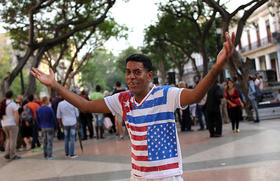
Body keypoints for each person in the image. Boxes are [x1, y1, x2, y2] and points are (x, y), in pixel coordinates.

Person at [31, 32, 235, 180]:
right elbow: (85, 106)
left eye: (137, 72)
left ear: (149, 75)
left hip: (167, 176)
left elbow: (195, 95)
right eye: (128, 72)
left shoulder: (166, 94)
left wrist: (217, 67)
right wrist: (55, 85)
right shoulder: (122, 100)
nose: (131, 77)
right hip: (138, 176)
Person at [1, 90, 21, 160]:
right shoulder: (13, 104)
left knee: (8, 139)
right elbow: (16, 115)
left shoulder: (2, 104)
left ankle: (7, 153)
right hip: (12, 124)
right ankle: (13, 155)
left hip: (4, 124)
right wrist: (17, 123)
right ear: (12, 96)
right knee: (13, 140)